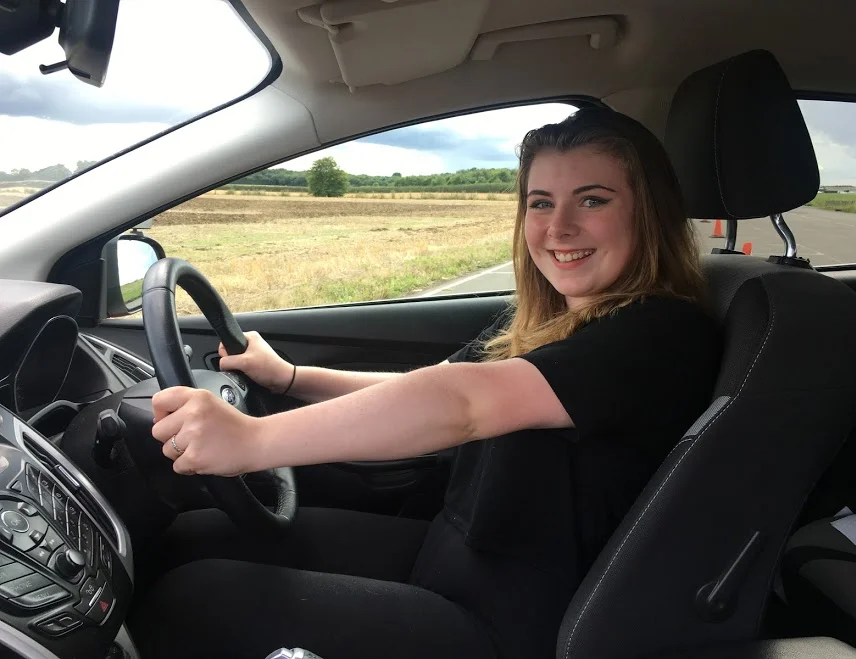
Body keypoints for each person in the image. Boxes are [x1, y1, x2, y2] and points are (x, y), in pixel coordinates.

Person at [130, 108, 722, 659]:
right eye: (540, 203)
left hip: (514, 622)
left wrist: (251, 440)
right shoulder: (553, 323)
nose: (558, 227)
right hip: (455, 557)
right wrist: (288, 377)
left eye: (592, 200)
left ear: (647, 213)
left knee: (194, 602)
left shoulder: (659, 332)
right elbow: (423, 387)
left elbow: (461, 403)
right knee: (189, 539)